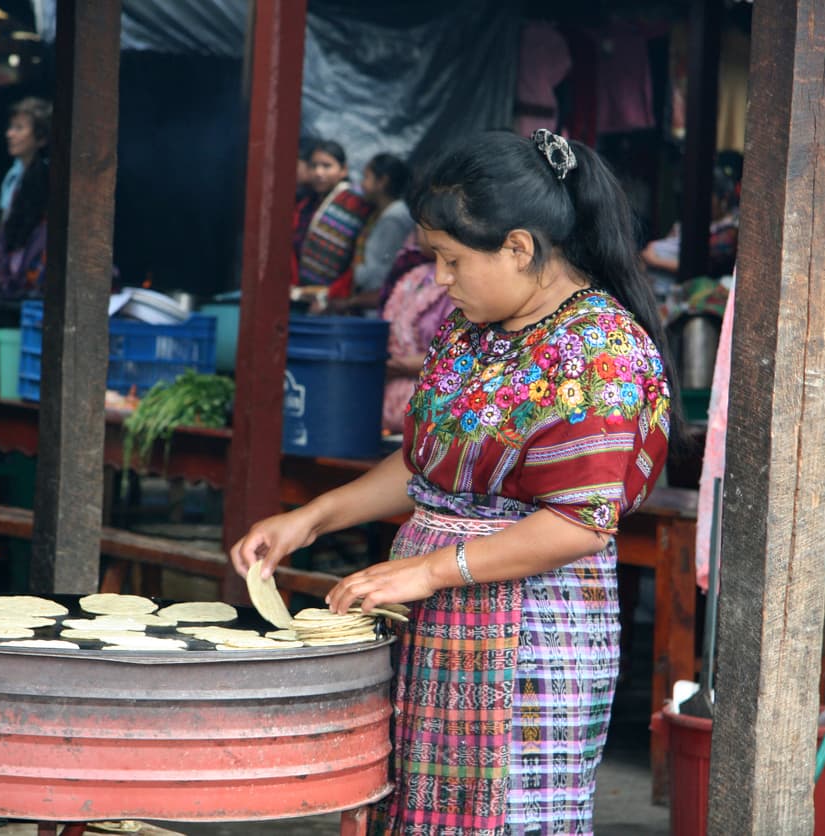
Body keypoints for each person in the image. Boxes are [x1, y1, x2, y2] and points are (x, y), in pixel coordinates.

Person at [231, 129, 684, 834]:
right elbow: (424, 466)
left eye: (449, 260)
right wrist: (312, 518)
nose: (438, 280)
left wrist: (430, 572)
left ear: (519, 248)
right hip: (433, 612)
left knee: (500, 816)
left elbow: (576, 523)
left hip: (529, 635)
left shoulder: (600, 352)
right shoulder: (474, 329)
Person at [379, 234, 454, 433]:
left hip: (434, 408)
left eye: (426, 224)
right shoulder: (416, 276)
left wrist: (399, 364)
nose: (419, 232)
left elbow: (461, 356)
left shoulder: (460, 285)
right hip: (392, 404)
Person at [0, 96, 52, 301]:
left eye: (19, 128)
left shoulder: (48, 179)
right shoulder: (13, 177)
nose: (9, 134)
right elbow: (1, 235)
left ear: (41, 138)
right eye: (11, 127)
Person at [327, 152, 415, 316]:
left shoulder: (394, 217)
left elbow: (380, 271)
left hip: (375, 304)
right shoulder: (380, 214)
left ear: (382, 182)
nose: (362, 184)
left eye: (366, 177)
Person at [292, 140, 374, 300]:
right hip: (303, 293)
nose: (318, 172)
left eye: (326, 166)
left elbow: (359, 255)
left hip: (338, 297)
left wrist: (335, 293)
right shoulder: (306, 204)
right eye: (314, 166)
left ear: (343, 170)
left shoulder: (355, 204)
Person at [641, 159, 741, 279]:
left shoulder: (729, 231)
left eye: (708, 198)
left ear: (723, 199)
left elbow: (697, 266)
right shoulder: (693, 222)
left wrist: (654, 260)